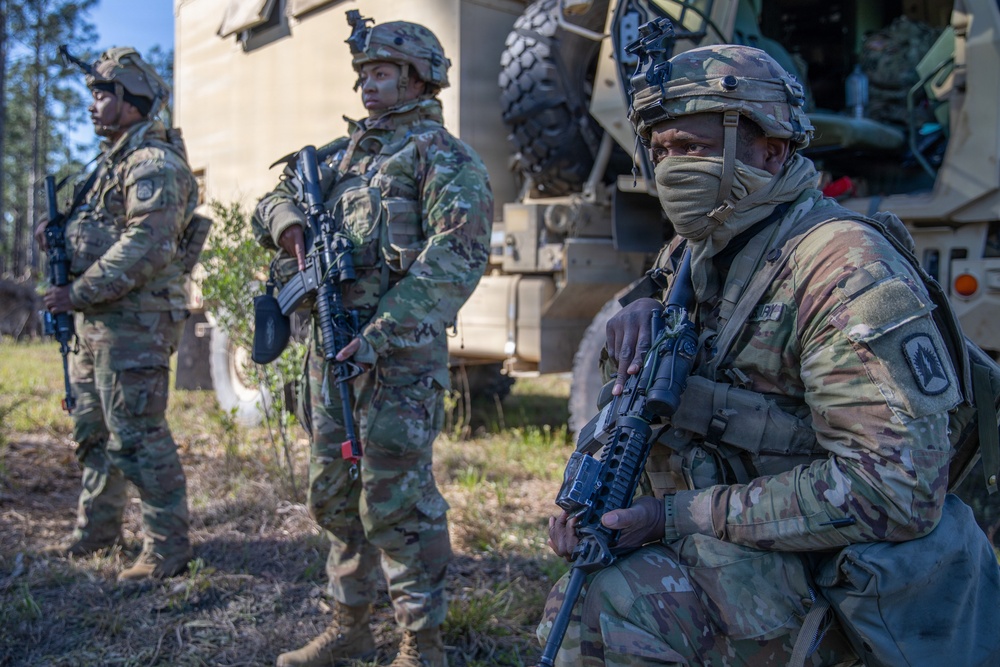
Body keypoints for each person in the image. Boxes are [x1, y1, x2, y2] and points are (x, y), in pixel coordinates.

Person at [540, 37, 1000, 666]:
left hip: (839, 579)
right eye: (663, 150)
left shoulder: (844, 270)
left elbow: (892, 492)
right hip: (742, 549)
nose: (673, 168)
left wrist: (674, 516)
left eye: (695, 149)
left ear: (771, 150)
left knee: (608, 612)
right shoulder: (696, 254)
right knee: (583, 596)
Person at [252, 14, 493, 667]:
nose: (368, 86)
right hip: (330, 351)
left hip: (395, 359)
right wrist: (290, 227)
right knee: (332, 491)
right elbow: (270, 199)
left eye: (382, 73)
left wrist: (381, 334)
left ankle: (422, 642)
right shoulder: (342, 157)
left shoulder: (441, 156)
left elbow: (457, 256)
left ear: (418, 77)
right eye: (362, 75)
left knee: (398, 502)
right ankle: (350, 623)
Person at [37, 47, 200, 581]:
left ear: (132, 104)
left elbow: (147, 246)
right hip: (98, 324)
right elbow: (103, 234)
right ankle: (98, 531)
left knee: (137, 434)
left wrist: (77, 292)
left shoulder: (153, 164)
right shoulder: (112, 164)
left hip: (136, 323)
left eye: (103, 94)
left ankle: (165, 548)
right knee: (92, 430)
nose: (93, 104)